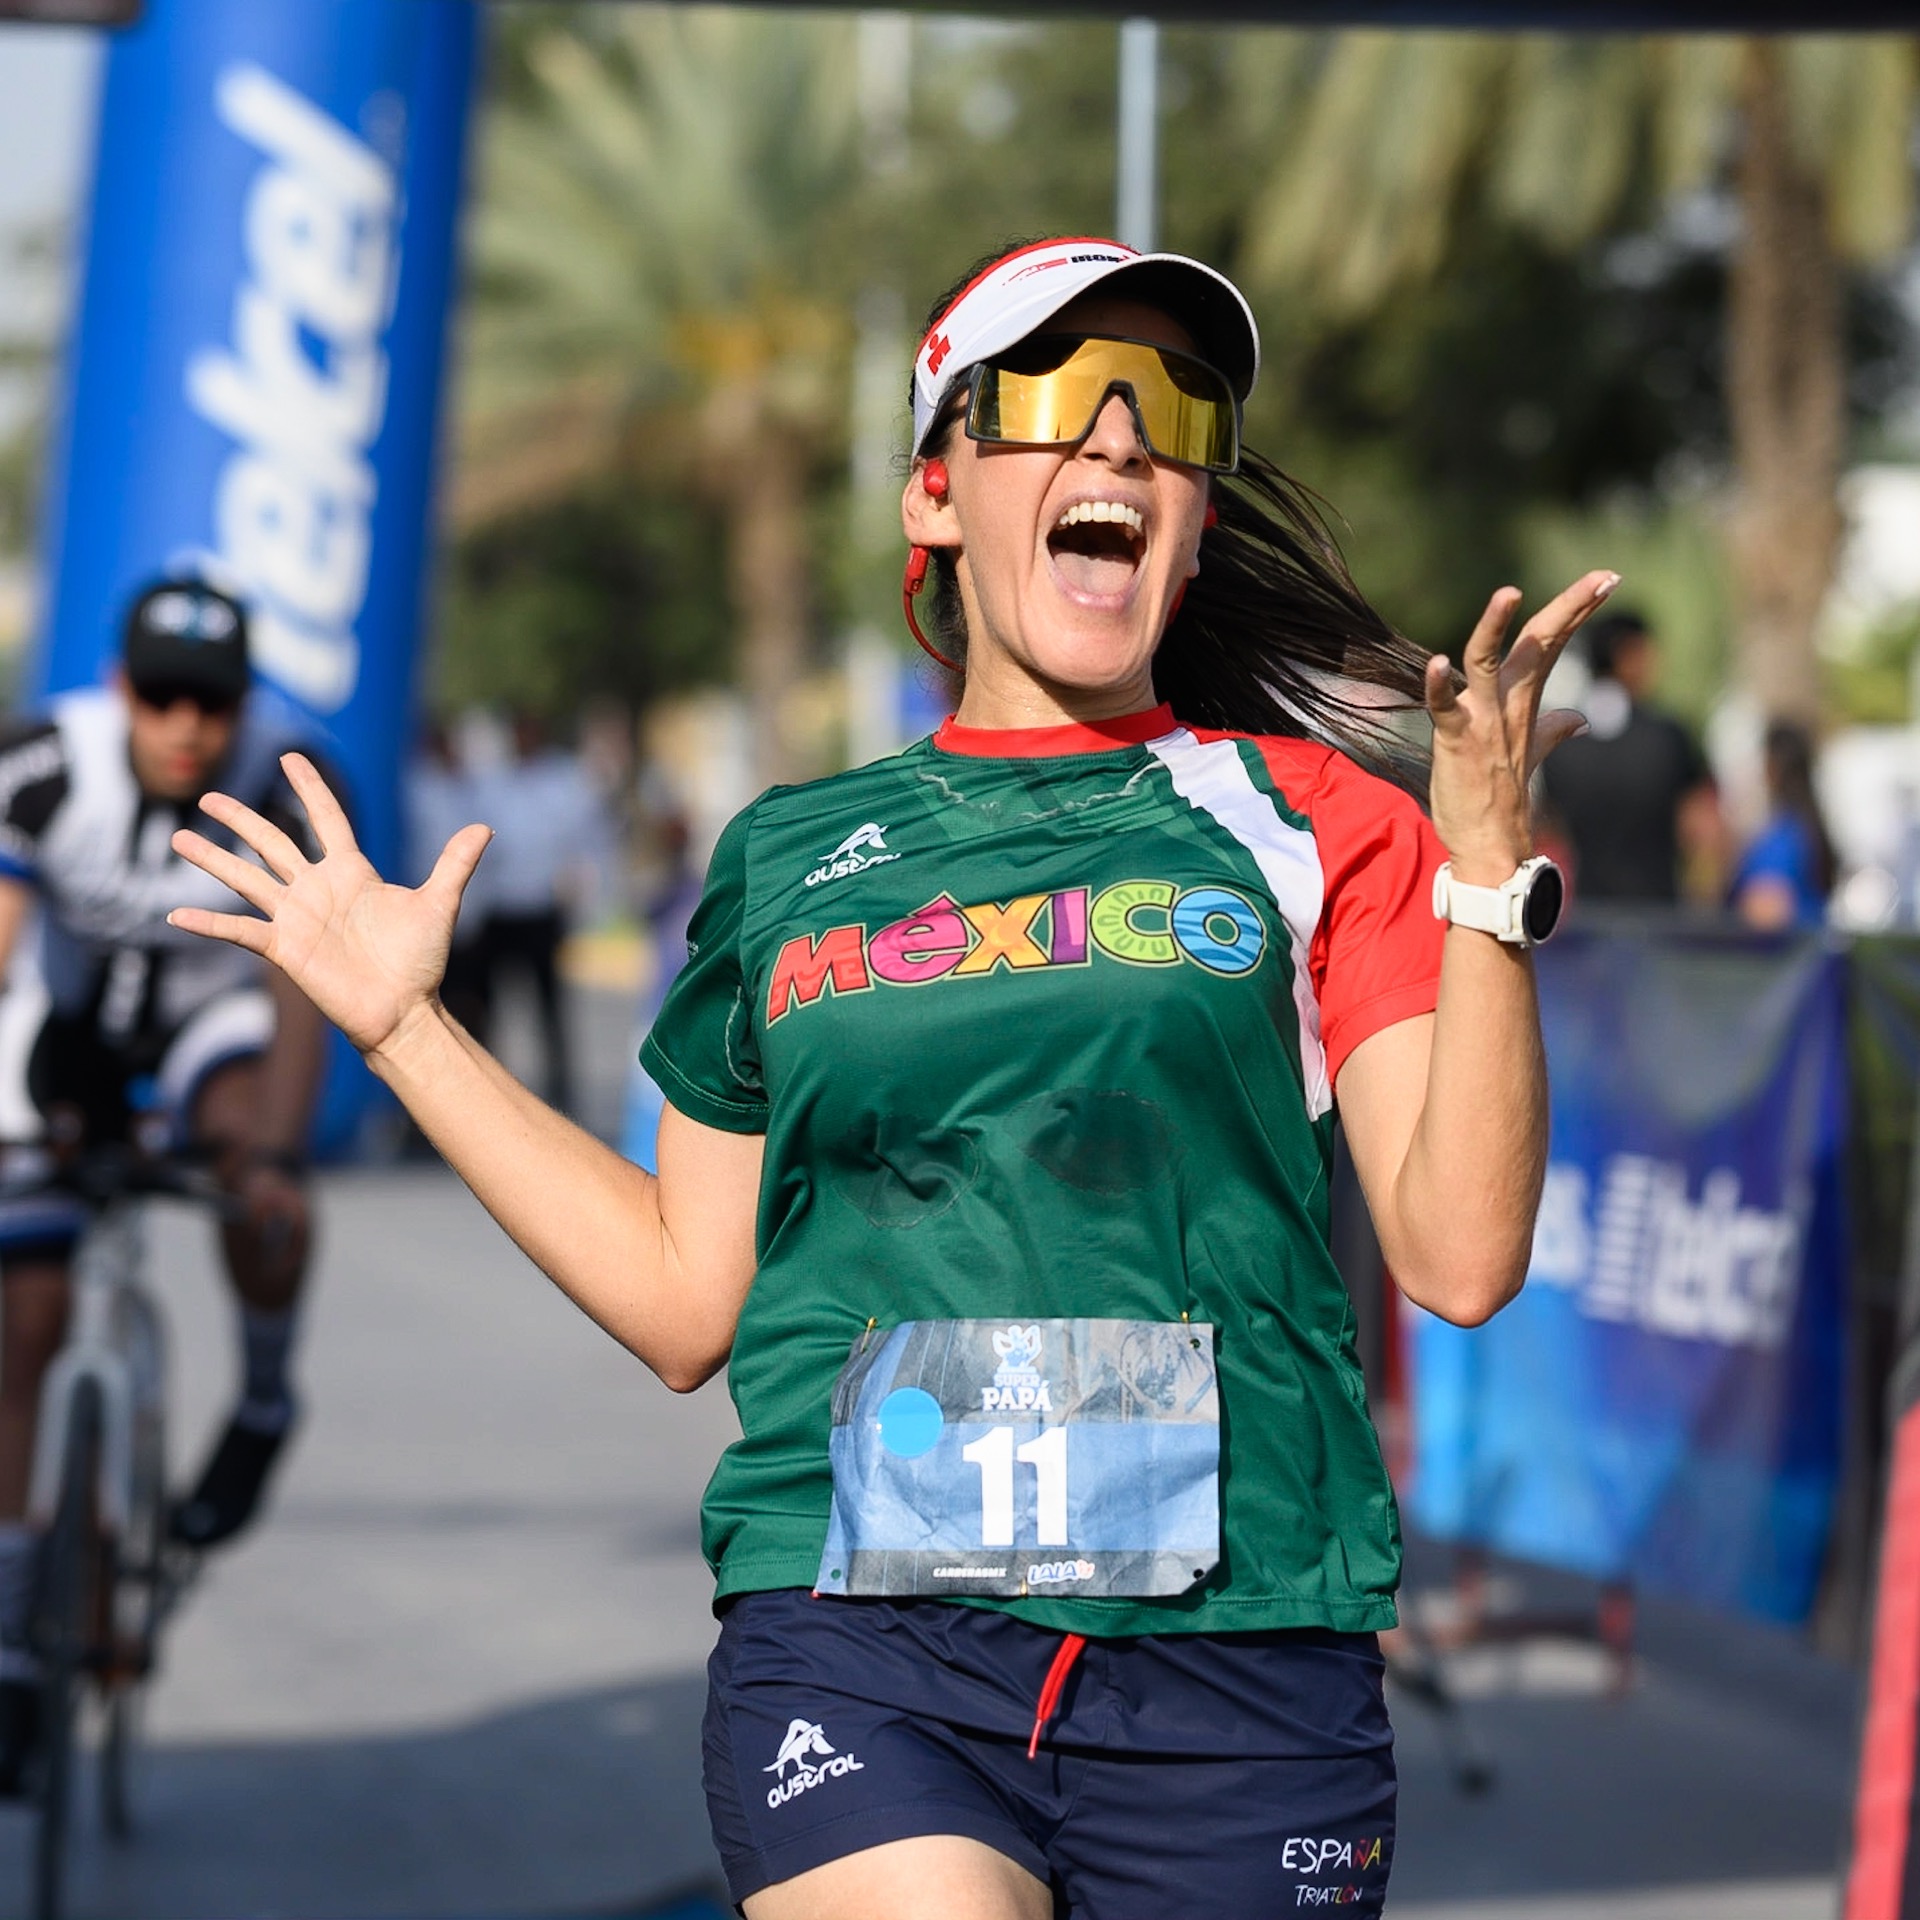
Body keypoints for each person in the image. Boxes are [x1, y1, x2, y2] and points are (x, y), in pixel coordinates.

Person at [168, 237, 1611, 1919]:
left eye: (1175, 414)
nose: (1122, 440)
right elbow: (679, 1299)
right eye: (1058, 396)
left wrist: (1483, 884)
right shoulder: (791, 857)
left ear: (1199, 518)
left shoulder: (1315, 821)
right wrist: (405, 1031)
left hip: (1245, 1647)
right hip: (865, 1637)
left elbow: (1460, 1257)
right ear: (936, 491)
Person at [0, 577, 331, 1790]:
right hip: (66, 1030)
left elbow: (304, 992)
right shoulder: (41, 762)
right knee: (24, 1320)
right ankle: (15, 1634)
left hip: (212, 1027)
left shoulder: (289, 784)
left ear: (244, 705)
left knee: (263, 1175)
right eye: (162, 696)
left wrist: (274, 1158)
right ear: (119, 687)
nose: (187, 725)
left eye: (214, 702)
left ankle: (263, 1403)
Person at [1539, 608, 1720, 904]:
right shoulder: (1667, 737)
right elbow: (1703, 828)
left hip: (1585, 914)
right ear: (1628, 654)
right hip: (1660, 911)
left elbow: (1549, 834)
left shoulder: (1562, 743)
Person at [1729, 720, 1836, 929]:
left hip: (1788, 948)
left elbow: (1766, 911)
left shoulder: (1782, 838)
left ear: (1772, 767)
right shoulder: (1807, 827)